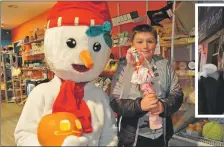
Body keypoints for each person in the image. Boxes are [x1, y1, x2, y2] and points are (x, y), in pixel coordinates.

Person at [110, 24, 183, 147]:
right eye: (139, 41)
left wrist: (163, 106)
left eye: (150, 41)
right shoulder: (124, 67)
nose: (145, 46)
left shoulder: (164, 65)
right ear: (131, 43)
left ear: (156, 43)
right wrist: (140, 105)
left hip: (161, 135)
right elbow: (115, 102)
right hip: (133, 138)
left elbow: (177, 94)